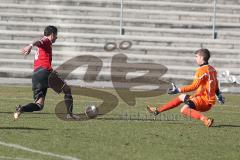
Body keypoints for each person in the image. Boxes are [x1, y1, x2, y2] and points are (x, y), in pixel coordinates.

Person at [147, 48, 225, 127]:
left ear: (201, 58)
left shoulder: (201, 70)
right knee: (181, 97)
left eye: (196, 57)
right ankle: (157, 111)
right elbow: (215, 83)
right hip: (206, 101)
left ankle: (206, 120)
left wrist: (178, 89)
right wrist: (219, 95)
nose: (196, 59)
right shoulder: (212, 69)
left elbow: (194, 86)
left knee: (183, 110)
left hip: (203, 101)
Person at [14, 25, 77, 120]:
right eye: (56, 35)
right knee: (67, 89)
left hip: (36, 75)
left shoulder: (44, 45)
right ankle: (70, 115)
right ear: (52, 35)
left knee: (39, 104)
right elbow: (38, 42)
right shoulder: (46, 41)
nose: (56, 37)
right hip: (45, 72)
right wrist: (30, 45)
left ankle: (22, 108)